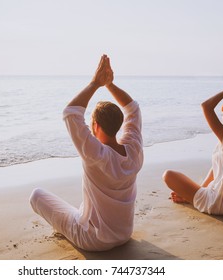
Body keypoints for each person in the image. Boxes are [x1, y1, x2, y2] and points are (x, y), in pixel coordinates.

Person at [29, 55, 143, 251]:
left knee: (36, 196)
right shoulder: (134, 151)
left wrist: (96, 83)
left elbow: (70, 112)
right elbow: (133, 110)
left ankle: (73, 225)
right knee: (83, 208)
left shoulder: (96, 155)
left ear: (95, 125)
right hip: (124, 234)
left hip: (94, 240)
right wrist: (110, 85)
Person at [163, 65, 223, 215]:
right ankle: (197, 194)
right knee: (219, 163)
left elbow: (206, 106)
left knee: (168, 175)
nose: (222, 118)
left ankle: (193, 197)